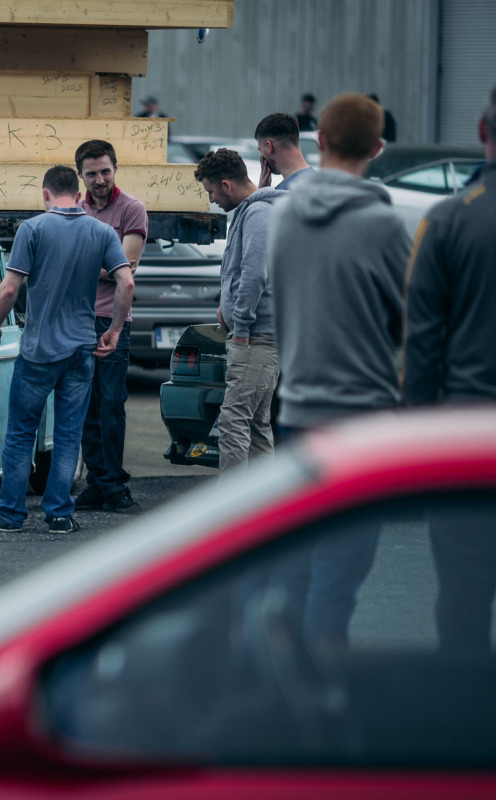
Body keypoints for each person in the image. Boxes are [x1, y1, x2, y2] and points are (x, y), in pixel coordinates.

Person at [267, 93, 411, 645]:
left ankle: (284, 682)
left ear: (319, 141)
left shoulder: (282, 220)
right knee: (341, 575)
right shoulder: (382, 224)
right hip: (364, 418)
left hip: (298, 409)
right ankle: (324, 690)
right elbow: (408, 322)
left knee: (298, 563)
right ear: (376, 148)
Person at [0, 166, 131, 534]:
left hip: (39, 351)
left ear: (46, 194)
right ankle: (58, 515)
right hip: (81, 351)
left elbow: (8, 289)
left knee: (22, 433)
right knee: (69, 435)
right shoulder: (101, 231)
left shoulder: (33, 229)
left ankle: (9, 514)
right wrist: (115, 330)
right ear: (79, 191)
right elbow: (126, 280)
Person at [403, 84, 496, 653]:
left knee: (463, 594)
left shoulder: (446, 221)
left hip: (469, 440)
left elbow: (423, 345)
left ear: (483, 133)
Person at [193, 148, 282, 474]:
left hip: (255, 338)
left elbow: (255, 273)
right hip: (257, 336)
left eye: (211, 191)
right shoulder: (253, 210)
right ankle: (265, 509)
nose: (212, 199)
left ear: (227, 185)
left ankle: (231, 511)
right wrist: (226, 306)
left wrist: (240, 326)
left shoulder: (257, 214)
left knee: (233, 422)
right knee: (257, 424)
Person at [73, 140, 148, 513]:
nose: (99, 179)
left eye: (105, 171)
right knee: (85, 405)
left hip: (113, 320)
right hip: (78, 320)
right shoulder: (76, 211)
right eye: (92, 173)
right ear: (81, 176)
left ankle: (115, 484)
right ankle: (97, 482)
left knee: (112, 406)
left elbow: (126, 270)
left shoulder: (131, 209)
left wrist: (79, 265)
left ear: (115, 168)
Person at [254, 112, 314, 190]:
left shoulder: (282, 196)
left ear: (269, 146)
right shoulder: (319, 181)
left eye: (261, 150)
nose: (261, 157)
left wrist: (261, 194)